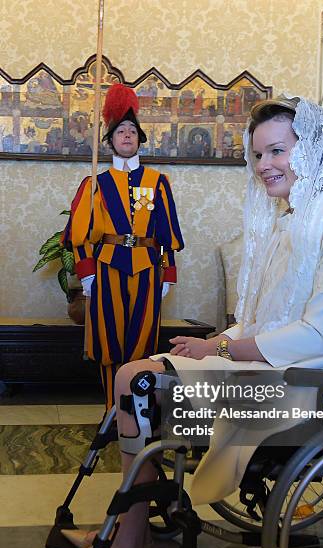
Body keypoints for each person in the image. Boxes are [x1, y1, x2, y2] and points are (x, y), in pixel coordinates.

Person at [41, 95, 323, 548]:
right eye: (257, 155)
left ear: (312, 147)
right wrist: (217, 341)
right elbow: (259, 317)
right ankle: (127, 535)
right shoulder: (291, 214)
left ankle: (126, 545)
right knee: (137, 378)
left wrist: (221, 349)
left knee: (135, 382)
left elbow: (317, 333)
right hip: (283, 366)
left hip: (319, 381)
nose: (264, 166)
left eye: (277, 151)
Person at [61, 83, 184, 411]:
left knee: (142, 342)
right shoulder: (94, 183)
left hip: (147, 269)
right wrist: (87, 275)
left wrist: (167, 274)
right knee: (108, 342)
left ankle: (139, 411)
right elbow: (81, 236)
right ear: (110, 140)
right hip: (106, 269)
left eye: (132, 130)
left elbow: (165, 232)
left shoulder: (158, 181)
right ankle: (112, 410)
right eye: (120, 131)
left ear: (140, 138)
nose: (127, 135)